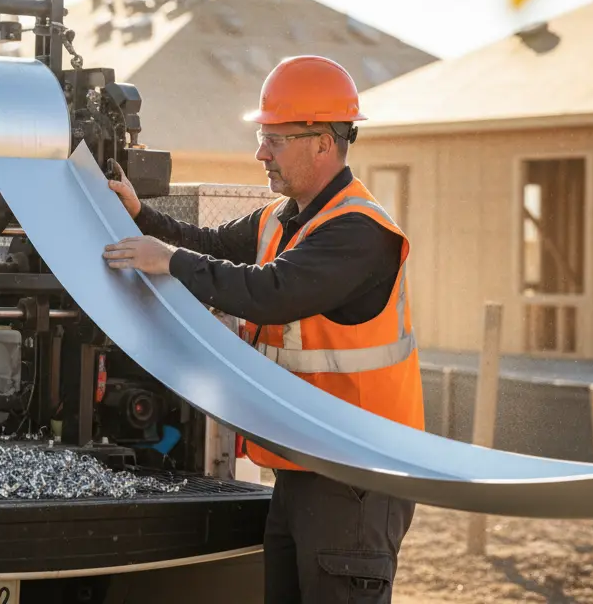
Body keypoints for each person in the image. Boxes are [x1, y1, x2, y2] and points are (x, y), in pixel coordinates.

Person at [101, 54, 425, 603]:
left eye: (274, 138)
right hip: (303, 469)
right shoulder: (283, 217)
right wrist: (140, 216)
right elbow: (208, 244)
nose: (260, 152)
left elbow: (270, 293)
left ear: (324, 142)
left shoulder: (359, 233)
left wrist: (168, 262)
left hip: (355, 482)